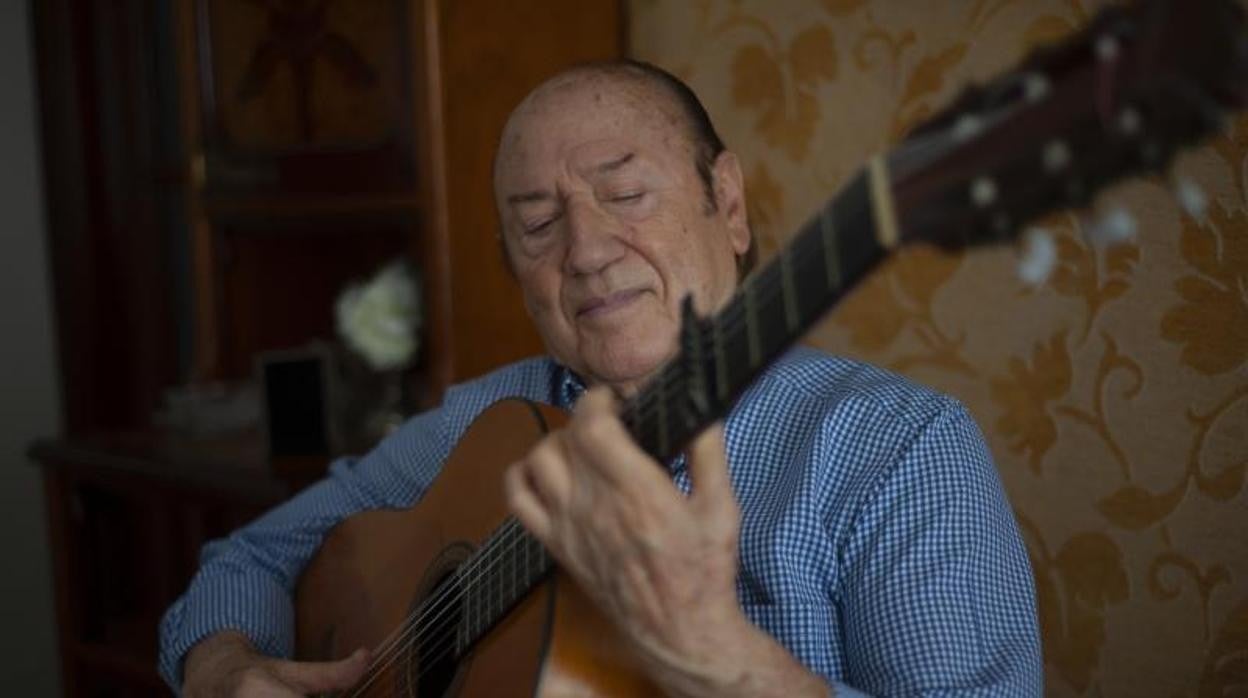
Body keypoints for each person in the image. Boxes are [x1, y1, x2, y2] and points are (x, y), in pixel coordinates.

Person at [161, 60, 1042, 696]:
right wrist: (222, 662)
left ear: (726, 205)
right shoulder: (480, 421)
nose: (585, 251)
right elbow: (251, 556)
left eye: (625, 195)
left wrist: (719, 655)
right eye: (539, 223)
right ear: (515, 267)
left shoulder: (899, 451)